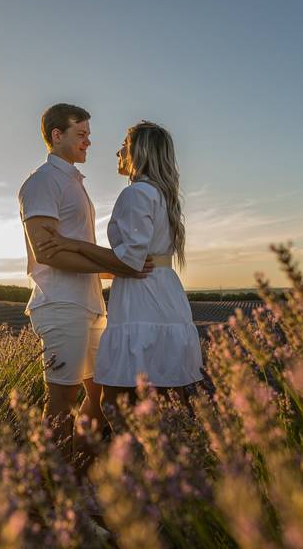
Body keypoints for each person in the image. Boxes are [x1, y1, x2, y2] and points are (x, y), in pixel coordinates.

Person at [37, 120, 203, 428]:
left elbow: (130, 262)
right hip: (164, 293)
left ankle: (133, 465)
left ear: (138, 152)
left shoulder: (137, 193)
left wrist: (70, 243)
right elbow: (138, 260)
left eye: (124, 146)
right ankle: (170, 462)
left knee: (114, 401)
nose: (118, 152)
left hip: (142, 298)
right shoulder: (162, 194)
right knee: (165, 394)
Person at [18, 104, 153, 463]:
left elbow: (83, 256)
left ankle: (80, 478)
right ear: (56, 135)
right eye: (81, 134)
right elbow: (46, 250)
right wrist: (119, 262)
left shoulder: (73, 183)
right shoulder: (43, 182)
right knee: (61, 401)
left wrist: (132, 269)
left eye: (89, 135)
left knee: (99, 397)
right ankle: (56, 495)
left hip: (90, 305)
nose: (89, 142)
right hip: (61, 303)